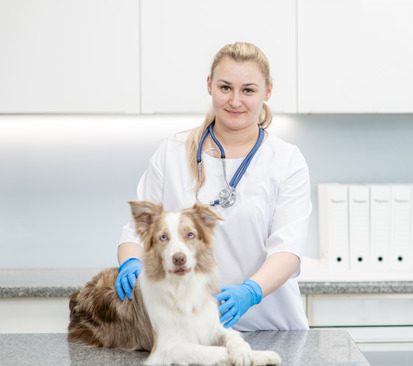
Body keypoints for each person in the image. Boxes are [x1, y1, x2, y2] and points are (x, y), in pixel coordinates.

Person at [116, 42, 311, 331]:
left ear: (267, 92)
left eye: (248, 90)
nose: (235, 101)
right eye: (225, 87)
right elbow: (135, 232)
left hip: (272, 328)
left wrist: (251, 291)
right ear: (209, 85)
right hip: (189, 331)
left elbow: (287, 249)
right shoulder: (172, 153)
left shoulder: (286, 161)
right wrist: (130, 263)